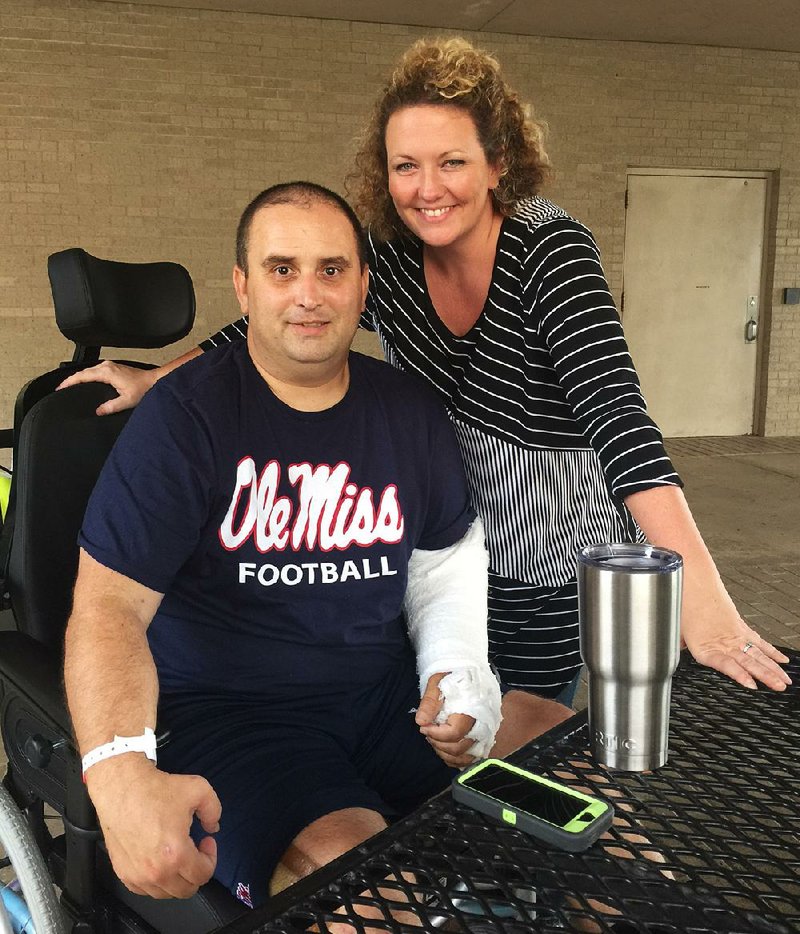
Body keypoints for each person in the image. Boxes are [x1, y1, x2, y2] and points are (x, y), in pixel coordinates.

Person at [61, 38, 791, 703]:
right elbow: (276, 320)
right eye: (406, 165)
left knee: (528, 759)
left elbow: (619, 417)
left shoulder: (550, 253)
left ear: (499, 162)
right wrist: (158, 379)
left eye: (452, 162)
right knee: (450, 753)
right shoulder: (389, 260)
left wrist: (702, 598)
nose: (426, 188)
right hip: (446, 556)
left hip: (552, 568)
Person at [64, 182, 571, 910]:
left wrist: (458, 676)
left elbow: (442, 566)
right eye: (281, 269)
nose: (308, 294)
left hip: (385, 699)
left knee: (563, 759)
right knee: (361, 878)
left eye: (331, 269)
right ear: (243, 287)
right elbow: (108, 607)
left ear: (363, 285)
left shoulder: (408, 410)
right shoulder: (186, 420)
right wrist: (117, 771)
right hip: (238, 719)